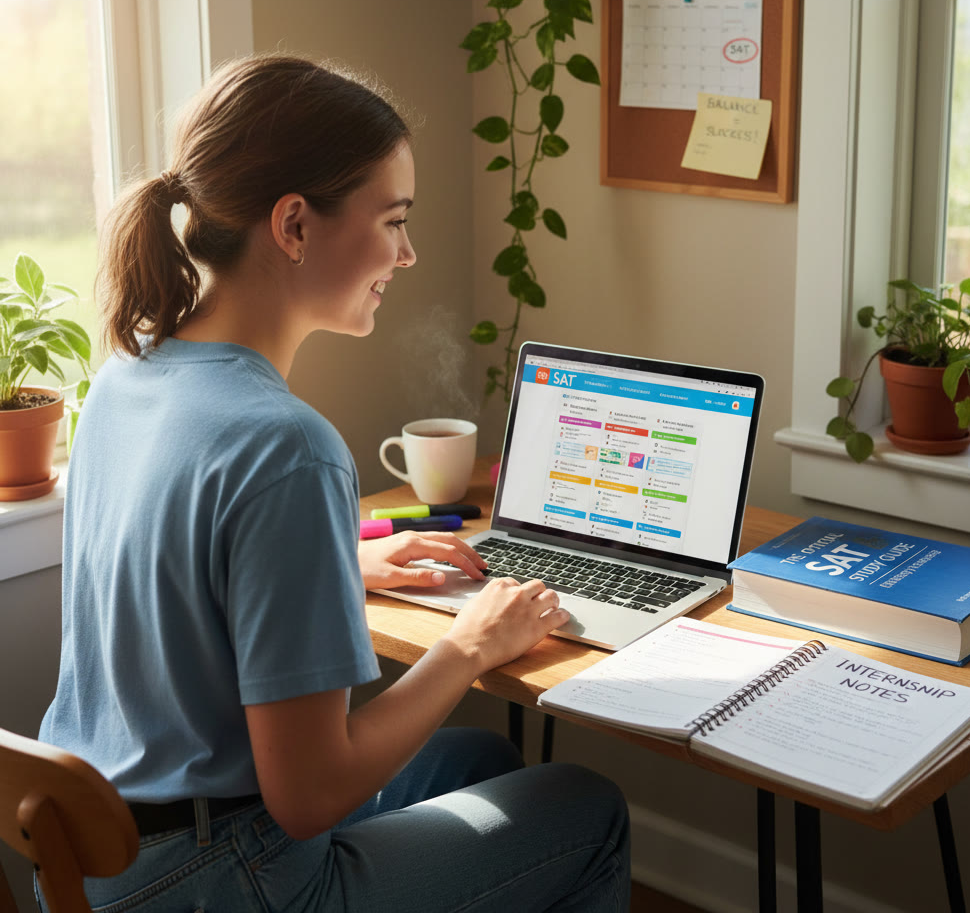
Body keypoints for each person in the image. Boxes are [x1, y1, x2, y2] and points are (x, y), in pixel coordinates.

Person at [37, 54, 629, 913]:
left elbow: (169, 585)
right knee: (585, 806)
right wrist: (468, 646)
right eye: (392, 220)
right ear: (294, 226)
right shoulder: (290, 447)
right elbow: (308, 797)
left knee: (480, 765)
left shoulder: (129, 375)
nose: (409, 251)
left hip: (101, 857)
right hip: (220, 879)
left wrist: (335, 569)